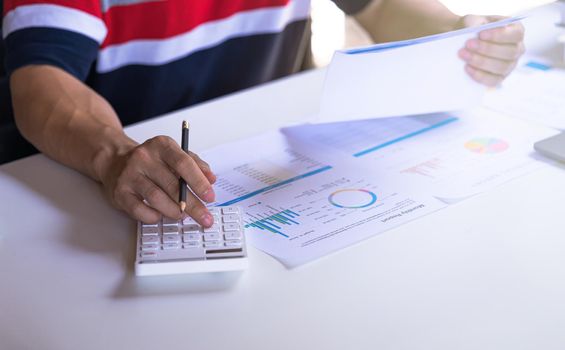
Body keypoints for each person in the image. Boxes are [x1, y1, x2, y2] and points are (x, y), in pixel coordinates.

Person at [1, 0, 525, 227]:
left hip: (249, 179)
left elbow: (382, 11)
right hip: (84, 195)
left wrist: (464, 34)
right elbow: (40, 79)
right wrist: (114, 153)